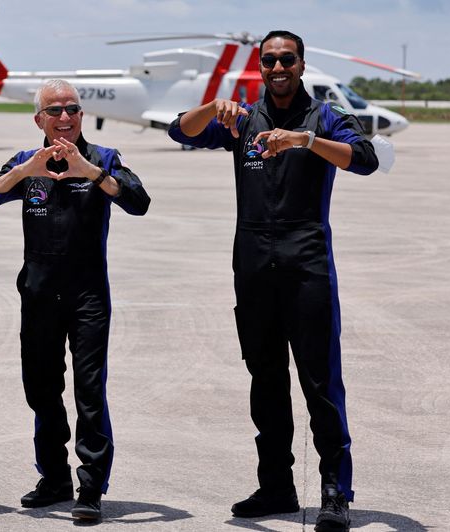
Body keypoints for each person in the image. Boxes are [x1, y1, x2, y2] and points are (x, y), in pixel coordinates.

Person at [168, 31, 378, 531]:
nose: (278, 67)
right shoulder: (242, 119)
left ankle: (334, 492)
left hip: (307, 267)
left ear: (302, 64)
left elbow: (366, 159)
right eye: (270, 60)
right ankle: (276, 487)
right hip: (254, 268)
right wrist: (213, 105)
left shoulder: (324, 117)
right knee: (265, 380)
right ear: (260, 67)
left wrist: (304, 141)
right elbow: (180, 132)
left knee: (321, 383)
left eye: (287, 59)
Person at [0, 79, 150, 521]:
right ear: (39, 119)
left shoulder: (102, 159)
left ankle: (90, 487)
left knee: (90, 392)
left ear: (82, 115)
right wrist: (22, 172)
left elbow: (138, 201)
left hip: (88, 295)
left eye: (72, 109)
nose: (65, 117)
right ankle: (53, 479)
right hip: (38, 294)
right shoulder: (26, 163)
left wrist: (90, 173)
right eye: (55, 111)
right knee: (42, 390)